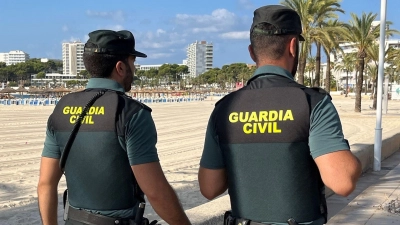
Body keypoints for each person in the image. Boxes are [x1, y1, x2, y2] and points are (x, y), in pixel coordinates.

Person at [198, 5, 362, 225]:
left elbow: (209, 188)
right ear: (293, 46)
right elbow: (343, 182)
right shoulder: (312, 103)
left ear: (252, 51)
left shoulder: (224, 108)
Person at [37, 29, 191, 225]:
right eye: (133, 62)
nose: (134, 69)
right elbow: (156, 191)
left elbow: (46, 184)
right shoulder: (131, 112)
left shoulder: (62, 108)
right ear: (120, 67)